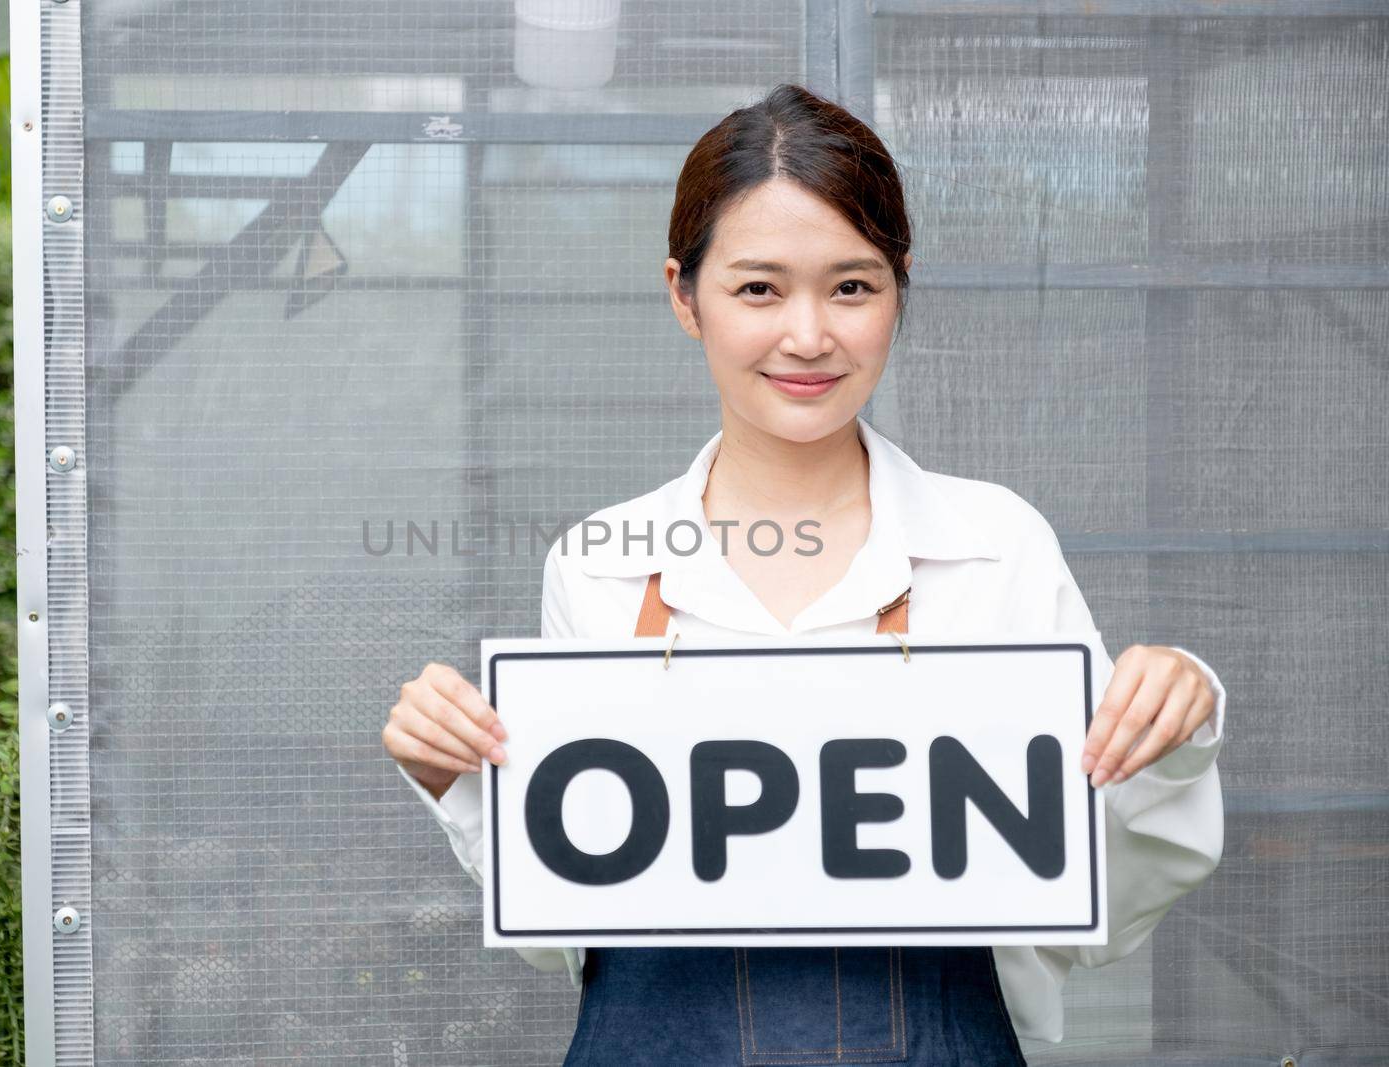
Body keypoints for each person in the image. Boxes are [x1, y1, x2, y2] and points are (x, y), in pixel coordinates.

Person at [381, 82, 1226, 1065]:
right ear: (681, 294)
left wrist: (1174, 728)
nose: (808, 334)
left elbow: (1086, 917)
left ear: (898, 287)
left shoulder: (996, 543)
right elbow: (570, 936)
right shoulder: (601, 563)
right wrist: (458, 779)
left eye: (851, 286)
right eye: (757, 287)